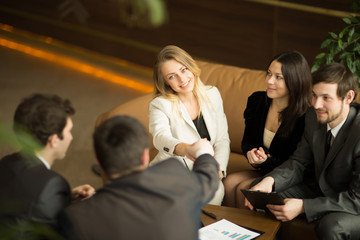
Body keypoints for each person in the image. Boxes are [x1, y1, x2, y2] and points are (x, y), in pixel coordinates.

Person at [246, 63, 360, 239]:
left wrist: (303, 206)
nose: (316, 104)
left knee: (331, 227)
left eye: (326, 98)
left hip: (353, 203)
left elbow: (356, 199)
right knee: (263, 198)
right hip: (321, 188)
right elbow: (299, 162)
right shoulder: (313, 117)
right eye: (314, 95)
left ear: (348, 97)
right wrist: (269, 181)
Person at [59, 115, 219, 240]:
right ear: (145, 156)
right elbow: (208, 179)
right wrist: (203, 153)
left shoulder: (77, 217)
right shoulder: (175, 174)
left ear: (98, 161)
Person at [223, 51, 312, 207]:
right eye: (269, 74)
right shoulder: (257, 101)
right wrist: (253, 155)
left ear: (295, 81)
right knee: (229, 183)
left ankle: (248, 231)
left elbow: (297, 163)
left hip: (287, 176)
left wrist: (266, 161)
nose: (270, 81)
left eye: (278, 77)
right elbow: (248, 141)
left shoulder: (305, 117)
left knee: (243, 189)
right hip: (265, 169)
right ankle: (228, 230)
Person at [0, 93, 95, 239]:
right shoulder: (52, 184)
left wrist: (64, 199)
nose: (72, 137)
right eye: (68, 131)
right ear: (54, 140)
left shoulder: (7, 162)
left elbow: (27, 207)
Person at [149, 45, 230, 205]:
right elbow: (159, 137)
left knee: (215, 194)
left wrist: (218, 169)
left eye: (184, 69)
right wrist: (185, 149)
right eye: (172, 76)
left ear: (192, 67)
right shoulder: (160, 104)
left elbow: (222, 139)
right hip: (172, 170)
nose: (182, 79)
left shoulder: (212, 94)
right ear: (165, 82)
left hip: (205, 169)